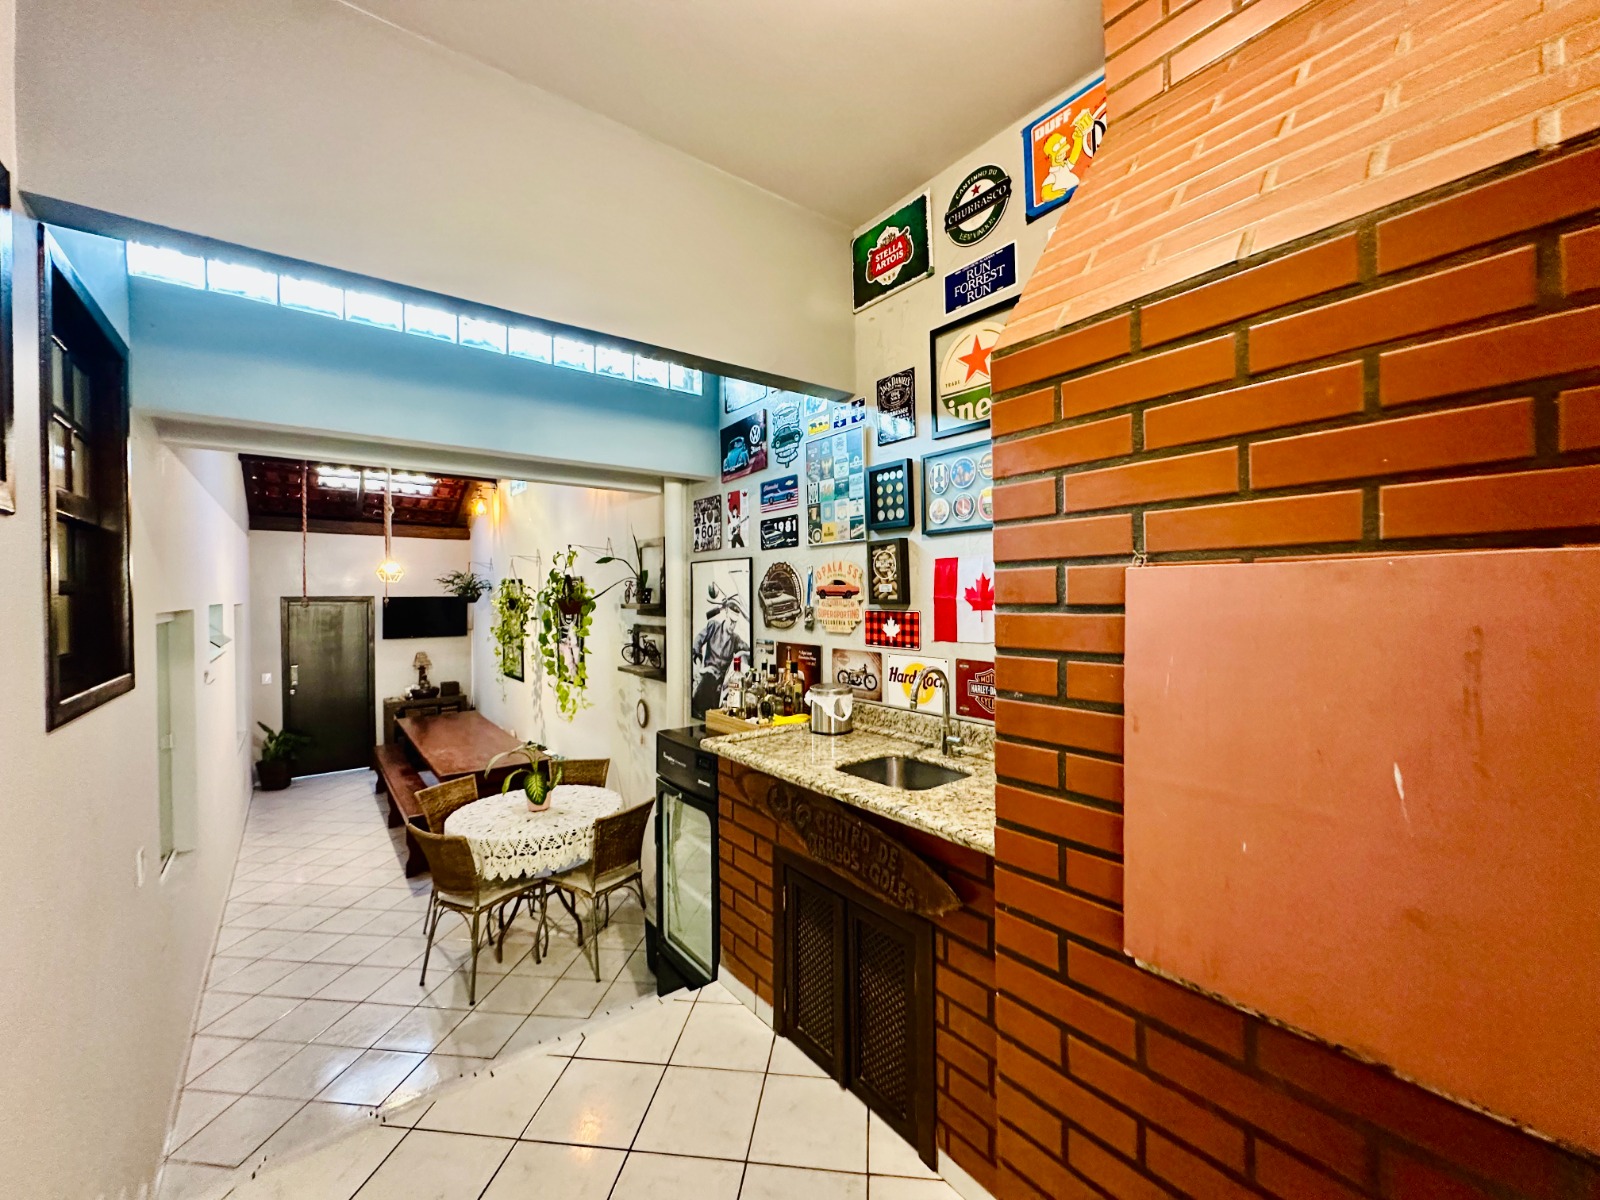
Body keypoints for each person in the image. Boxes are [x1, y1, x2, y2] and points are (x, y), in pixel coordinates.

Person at [691, 581, 750, 715]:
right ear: (726, 615)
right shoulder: (713, 626)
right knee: (700, 701)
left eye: (735, 623)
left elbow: (748, 649)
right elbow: (697, 642)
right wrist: (698, 665)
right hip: (707, 674)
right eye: (731, 622)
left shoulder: (735, 639)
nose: (732, 626)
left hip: (720, 683)